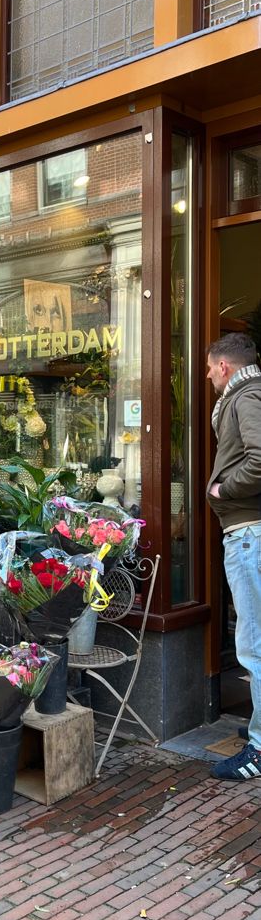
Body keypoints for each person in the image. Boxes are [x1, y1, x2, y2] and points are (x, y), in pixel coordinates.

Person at [206, 333, 261, 780]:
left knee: (253, 646)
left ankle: (260, 750)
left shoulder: (246, 396)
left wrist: (224, 488)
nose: (206, 375)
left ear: (225, 366)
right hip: (249, 533)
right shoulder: (248, 395)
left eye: (208, 367)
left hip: (249, 535)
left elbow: (260, 460)